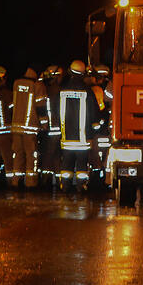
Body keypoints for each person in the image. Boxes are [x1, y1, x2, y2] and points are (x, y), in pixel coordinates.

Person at [59, 60, 97, 192]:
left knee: (67, 163)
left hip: (66, 137)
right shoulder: (87, 91)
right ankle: (81, 187)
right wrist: (94, 131)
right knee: (82, 165)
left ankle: (65, 186)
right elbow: (94, 113)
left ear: (70, 72)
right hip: (82, 139)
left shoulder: (62, 90)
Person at [10, 67, 46, 189]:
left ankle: (16, 181)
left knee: (18, 154)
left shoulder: (16, 83)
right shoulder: (37, 85)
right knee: (31, 154)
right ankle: (31, 183)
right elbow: (41, 107)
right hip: (30, 127)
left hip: (16, 126)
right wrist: (45, 124)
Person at [87, 65, 114, 188]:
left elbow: (100, 108)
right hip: (105, 128)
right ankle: (104, 179)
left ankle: (98, 178)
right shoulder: (109, 87)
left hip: (99, 129)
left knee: (95, 153)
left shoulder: (95, 90)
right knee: (103, 154)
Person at [38, 65, 64, 189]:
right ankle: (48, 181)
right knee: (52, 154)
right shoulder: (56, 90)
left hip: (48, 128)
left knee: (51, 154)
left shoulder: (44, 88)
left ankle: (50, 180)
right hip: (54, 128)